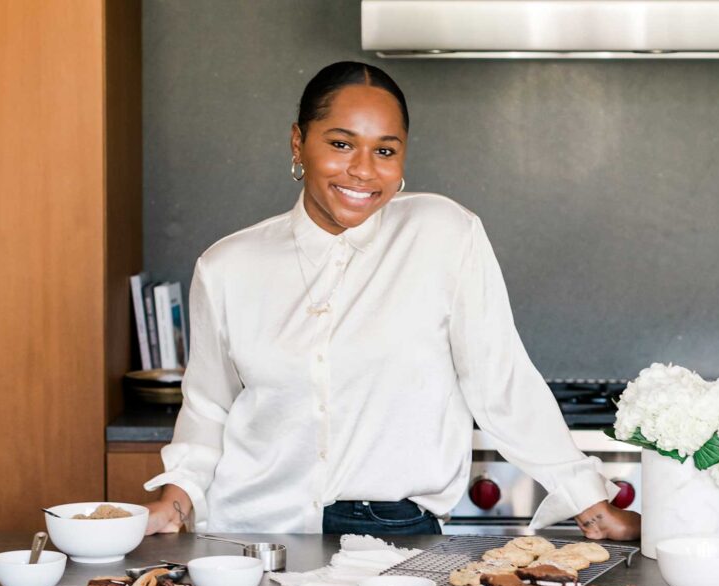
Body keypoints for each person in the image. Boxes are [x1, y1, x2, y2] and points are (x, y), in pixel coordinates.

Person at [143, 61, 640, 541]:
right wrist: (176, 501)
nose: (362, 171)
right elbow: (209, 408)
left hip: (397, 534)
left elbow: (501, 381)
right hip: (255, 532)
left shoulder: (444, 233)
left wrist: (590, 505)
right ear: (299, 142)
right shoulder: (227, 266)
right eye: (340, 144)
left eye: (385, 151)